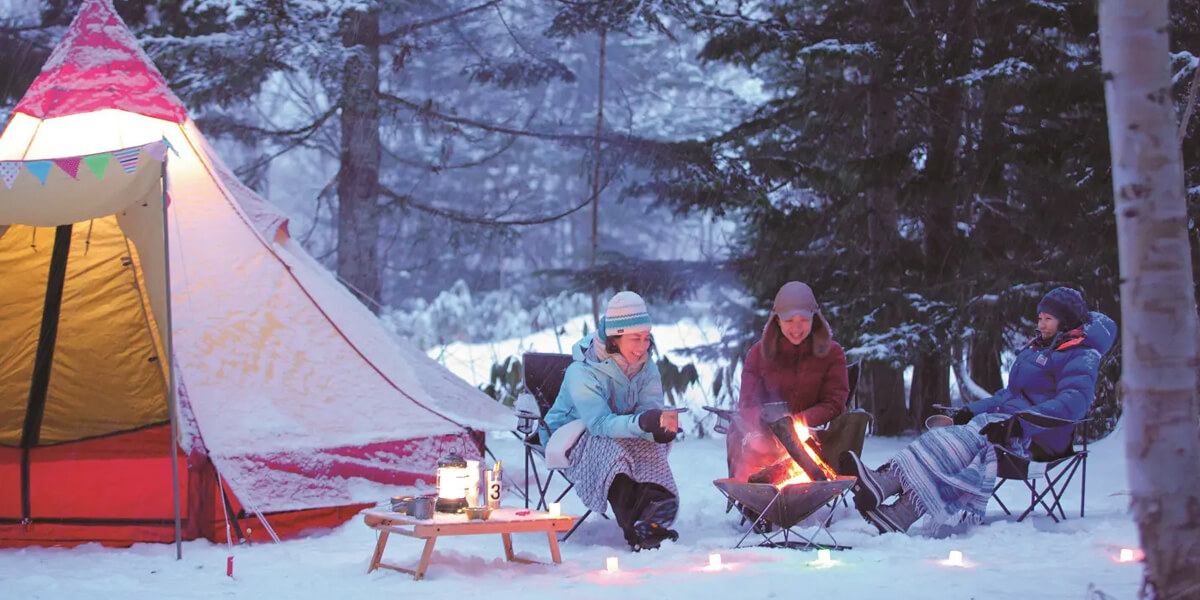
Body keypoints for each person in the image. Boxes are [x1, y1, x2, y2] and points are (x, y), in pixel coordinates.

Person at [841, 287, 1117, 534]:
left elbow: (1074, 402)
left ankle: (887, 488)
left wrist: (1021, 424)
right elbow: (1008, 395)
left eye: (1048, 319)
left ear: (1065, 322)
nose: (1041, 324)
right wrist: (969, 412)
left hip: (1043, 437)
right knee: (947, 438)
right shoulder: (1036, 350)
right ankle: (897, 506)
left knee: (957, 444)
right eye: (1040, 318)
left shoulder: (1080, 354)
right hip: (1006, 424)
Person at [542, 291, 680, 550]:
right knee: (608, 448)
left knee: (649, 446)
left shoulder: (646, 368)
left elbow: (647, 412)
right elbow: (599, 424)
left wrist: (656, 429)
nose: (642, 347)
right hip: (568, 434)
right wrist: (640, 424)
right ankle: (636, 523)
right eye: (635, 339)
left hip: (616, 427)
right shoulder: (581, 371)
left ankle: (656, 507)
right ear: (615, 339)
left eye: (646, 338)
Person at [727, 281, 852, 482]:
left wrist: (798, 422)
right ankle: (750, 494)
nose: (796, 327)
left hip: (814, 441)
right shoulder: (759, 354)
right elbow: (747, 403)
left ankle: (810, 487)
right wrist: (764, 423)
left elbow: (835, 402)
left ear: (814, 318)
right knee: (736, 432)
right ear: (777, 320)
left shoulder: (832, 353)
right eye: (788, 320)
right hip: (765, 440)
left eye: (803, 319)